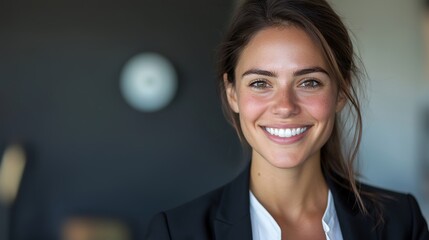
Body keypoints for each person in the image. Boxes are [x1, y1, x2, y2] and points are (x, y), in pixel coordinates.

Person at [145, 0, 429, 239]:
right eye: (260, 83)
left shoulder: (401, 221)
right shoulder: (176, 232)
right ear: (232, 93)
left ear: (341, 91)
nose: (285, 106)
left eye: (309, 82)